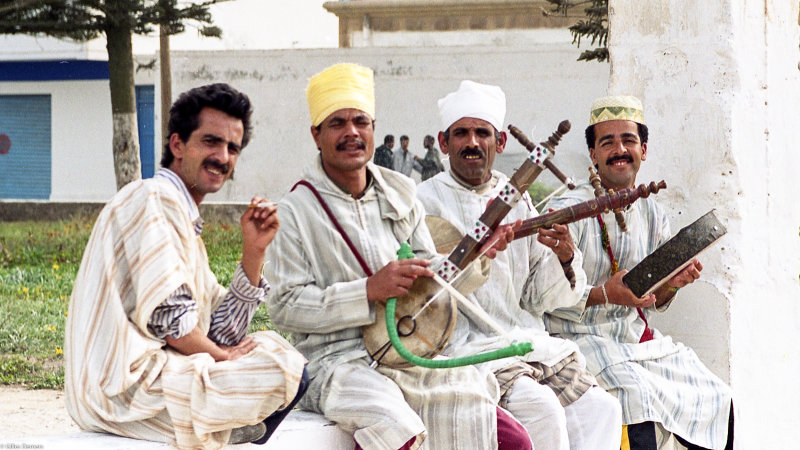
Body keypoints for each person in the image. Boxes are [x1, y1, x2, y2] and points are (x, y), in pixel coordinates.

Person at [265, 63, 531, 450]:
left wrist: (476, 253)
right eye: (337, 123)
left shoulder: (400, 191)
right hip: (338, 363)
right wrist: (368, 290)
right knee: (397, 433)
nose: (352, 132)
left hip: (410, 351)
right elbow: (284, 308)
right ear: (316, 135)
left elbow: (430, 273)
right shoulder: (293, 211)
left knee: (509, 438)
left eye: (360, 121)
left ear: (373, 130)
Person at [64, 83, 308, 449]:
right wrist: (224, 358)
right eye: (211, 142)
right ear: (178, 145)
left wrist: (253, 252)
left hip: (155, 379)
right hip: (122, 392)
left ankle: (220, 427)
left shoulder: (183, 219)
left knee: (271, 349)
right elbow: (174, 327)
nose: (222, 157)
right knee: (282, 366)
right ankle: (221, 429)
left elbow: (218, 335)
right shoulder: (153, 198)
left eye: (232, 148)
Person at [417, 80, 622, 450]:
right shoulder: (422, 202)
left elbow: (537, 297)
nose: (473, 143)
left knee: (602, 409)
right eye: (461, 133)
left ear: (501, 143)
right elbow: (422, 293)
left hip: (522, 338)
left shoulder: (516, 198)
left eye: (483, 133)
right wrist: (475, 253)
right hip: (465, 349)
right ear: (444, 143)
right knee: (541, 408)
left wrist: (563, 257)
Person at [545, 95, 734, 450]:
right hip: (578, 339)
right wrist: (604, 294)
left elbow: (653, 297)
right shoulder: (570, 210)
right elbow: (544, 296)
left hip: (634, 341)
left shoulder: (651, 212)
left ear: (643, 150)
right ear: (593, 154)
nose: (619, 150)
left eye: (628, 141)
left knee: (716, 396)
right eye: (607, 142)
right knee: (638, 400)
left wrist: (672, 285)